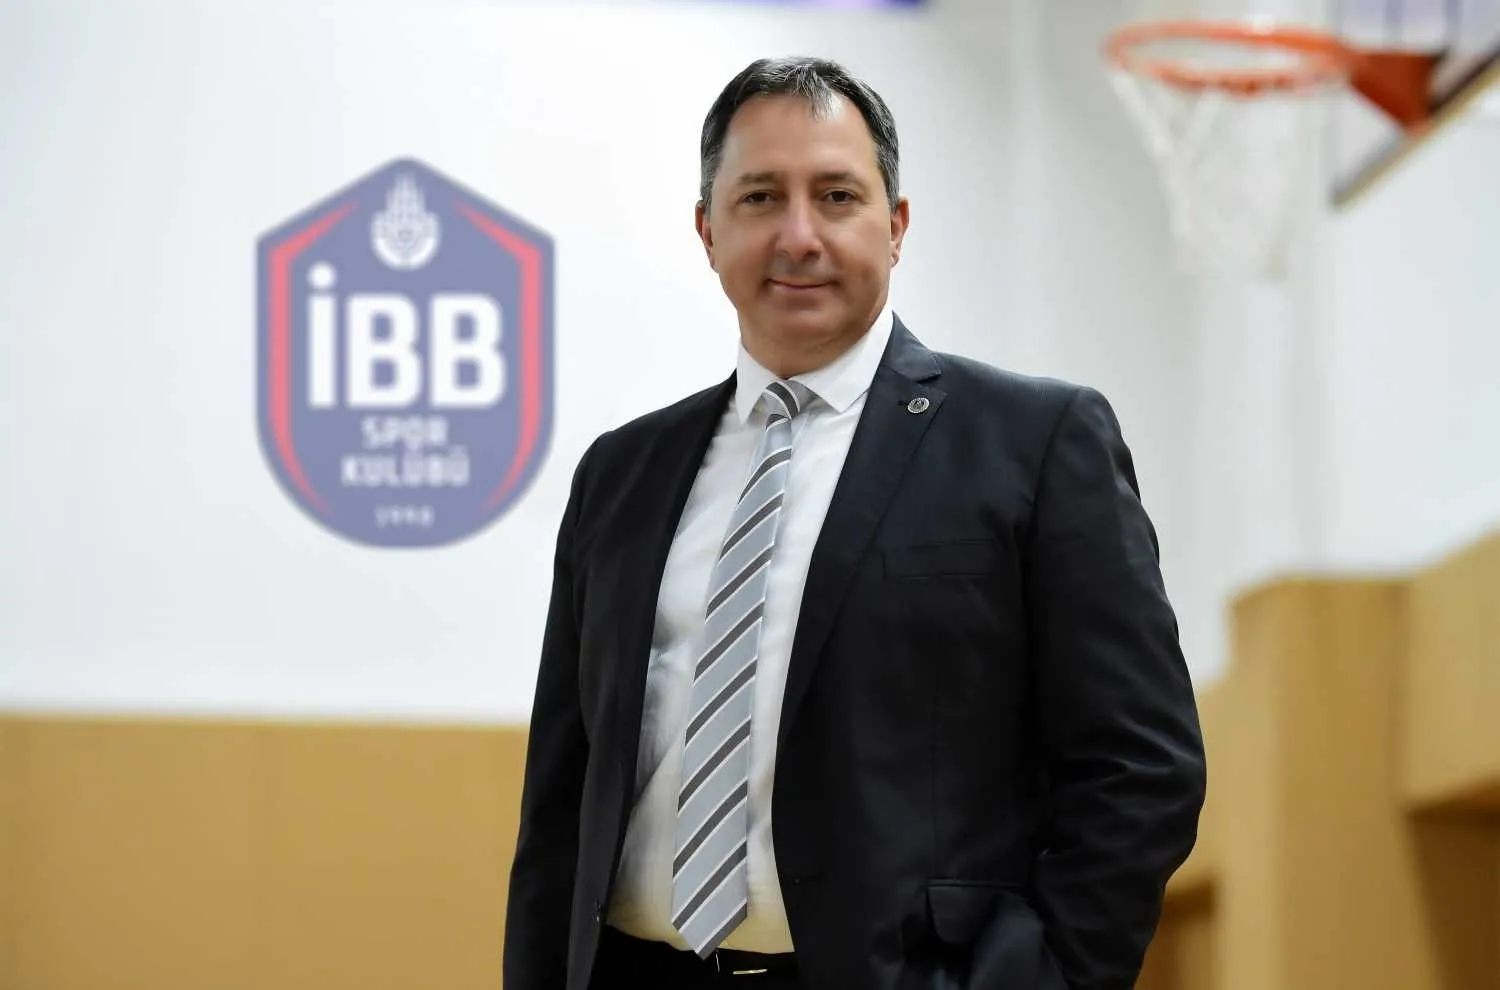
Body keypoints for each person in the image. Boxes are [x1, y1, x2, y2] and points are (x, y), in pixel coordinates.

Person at [504, 56, 1206, 990]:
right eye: (760, 198)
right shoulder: (620, 475)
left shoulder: (1035, 442)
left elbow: (1141, 767)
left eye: (836, 196)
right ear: (708, 230)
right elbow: (561, 796)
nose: (799, 236)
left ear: (896, 224)